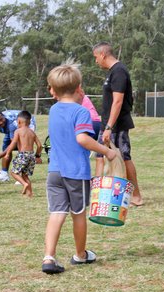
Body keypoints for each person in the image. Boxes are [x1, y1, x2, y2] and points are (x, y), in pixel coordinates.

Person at [42, 61, 117, 274]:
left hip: (54, 172)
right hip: (75, 172)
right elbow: (82, 138)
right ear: (78, 88)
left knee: (57, 213)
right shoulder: (81, 112)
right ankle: (81, 255)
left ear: (53, 90)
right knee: (78, 214)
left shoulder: (54, 110)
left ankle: (49, 257)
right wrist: (106, 151)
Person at [92, 42, 143, 206]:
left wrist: (109, 127)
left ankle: (136, 196)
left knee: (124, 158)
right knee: (100, 156)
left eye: (95, 58)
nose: (96, 62)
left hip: (117, 125)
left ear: (103, 55)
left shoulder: (119, 71)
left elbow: (118, 101)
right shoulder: (111, 72)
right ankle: (98, 194)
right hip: (106, 123)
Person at [0, 109, 37, 182]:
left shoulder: (12, 123)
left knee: (23, 148)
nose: (0, 122)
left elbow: (14, 143)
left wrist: (0, 155)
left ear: (4, 117)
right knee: (5, 146)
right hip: (10, 130)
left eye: (1, 119)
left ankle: (23, 176)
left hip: (27, 122)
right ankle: (4, 174)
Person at [3, 111, 42, 197]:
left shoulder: (18, 131)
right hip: (31, 155)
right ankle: (30, 194)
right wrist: (37, 155)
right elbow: (39, 145)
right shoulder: (32, 132)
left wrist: (7, 153)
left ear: (19, 121)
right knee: (25, 175)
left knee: (14, 173)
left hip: (23, 155)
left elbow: (13, 143)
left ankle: (24, 184)